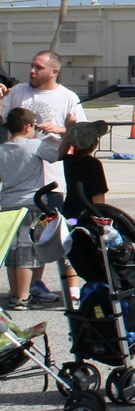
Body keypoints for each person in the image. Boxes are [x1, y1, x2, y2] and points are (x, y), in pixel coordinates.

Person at [3, 108, 73, 310]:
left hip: (7, 204)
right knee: (26, 253)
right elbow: (59, 154)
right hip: (31, 204)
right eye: (33, 126)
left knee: (13, 254)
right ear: (27, 127)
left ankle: (15, 293)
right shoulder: (34, 146)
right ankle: (23, 297)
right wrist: (66, 132)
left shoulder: (2, 150)